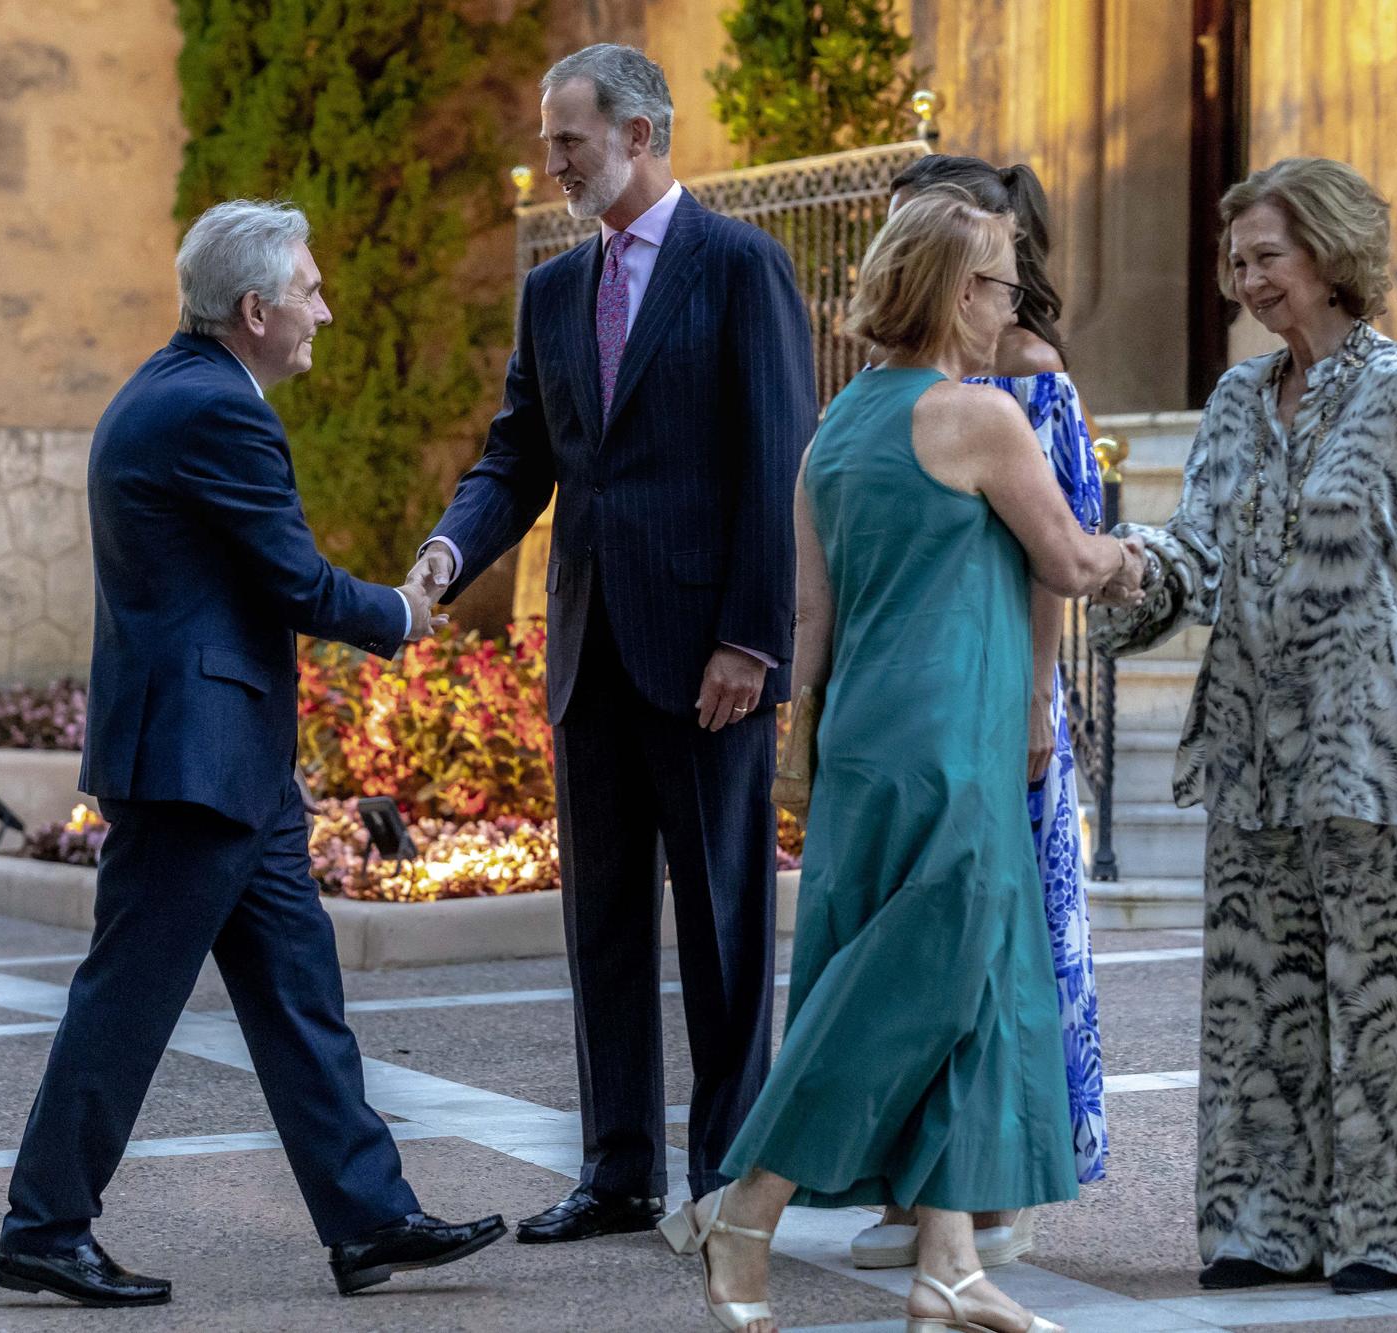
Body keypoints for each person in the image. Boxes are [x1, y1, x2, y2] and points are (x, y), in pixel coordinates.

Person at [0, 200, 505, 1307]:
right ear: (255, 307)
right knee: (126, 999)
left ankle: (368, 1220)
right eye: (310, 291)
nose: (325, 307)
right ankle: (43, 1224)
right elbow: (292, 579)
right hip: (196, 762)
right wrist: (404, 613)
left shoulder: (170, 388)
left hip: (227, 760)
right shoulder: (217, 413)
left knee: (296, 994)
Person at [662, 191, 1142, 1333]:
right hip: (950, 746)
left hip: (866, 746)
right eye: (995, 285)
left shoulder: (837, 424)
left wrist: (806, 749)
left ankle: (949, 1263)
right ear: (946, 290)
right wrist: (1139, 560)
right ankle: (746, 1214)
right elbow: (1068, 560)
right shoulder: (975, 418)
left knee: (967, 990)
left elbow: (809, 618)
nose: (1009, 308)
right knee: (896, 992)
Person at [1092, 156, 1397, 1296]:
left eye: (1263, 259)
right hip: (1249, 742)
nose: (1244, 282)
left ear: (1328, 256)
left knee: (1381, 995)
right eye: (1234, 263)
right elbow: (1191, 546)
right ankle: (1259, 1221)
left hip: (1371, 743)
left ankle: (1390, 1231)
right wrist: (1125, 573)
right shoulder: (1235, 399)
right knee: (1249, 991)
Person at [410, 43, 819, 1244]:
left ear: (642, 135)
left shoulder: (742, 267)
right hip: (588, 654)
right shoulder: (550, 290)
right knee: (598, 926)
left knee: (724, 925)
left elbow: (773, 461)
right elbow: (515, 458)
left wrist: (750, 637)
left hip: (708, 663)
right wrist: (447, 553)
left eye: (568, 142)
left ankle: (726, 1176)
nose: (548, 165)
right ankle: (617, 1170)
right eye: (548, 143)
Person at [847, 155, 1108, 1273]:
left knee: (1010, 944)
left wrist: (1035, 704)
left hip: (1003, 687)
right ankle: (918, 1189)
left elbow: (1054, 554)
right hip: (922, 698)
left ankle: (999, 1189)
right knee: (916, 936)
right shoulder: (902, 381)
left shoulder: (1028, 374)